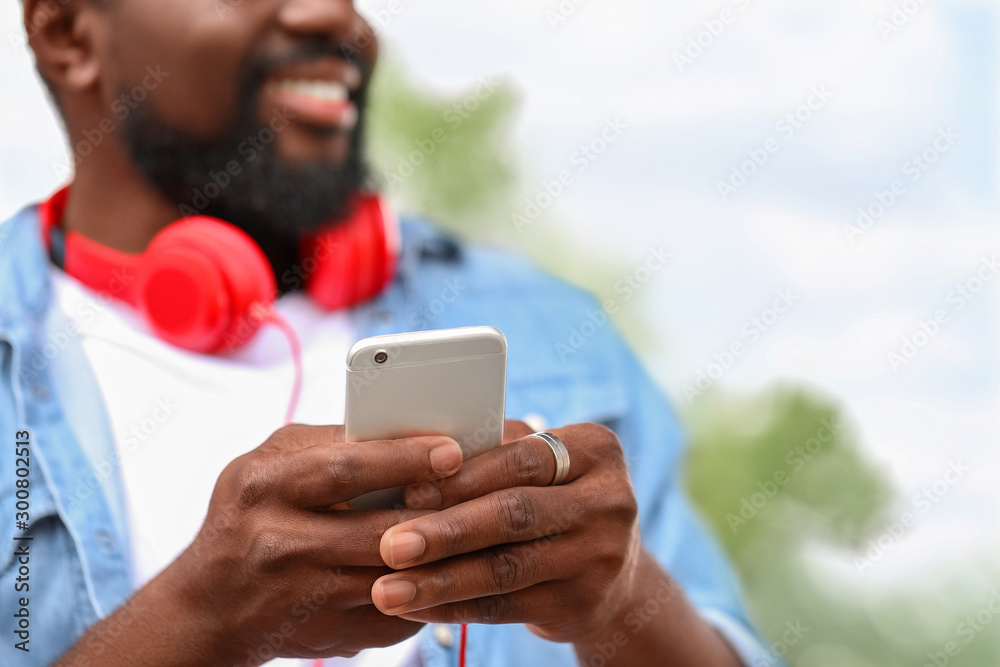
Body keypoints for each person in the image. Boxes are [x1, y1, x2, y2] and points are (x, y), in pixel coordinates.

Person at [0, 1, 771, 665]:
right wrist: (196, 625)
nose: (339, 18)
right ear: (67, 31)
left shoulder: (551, 327)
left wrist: (624, 600)